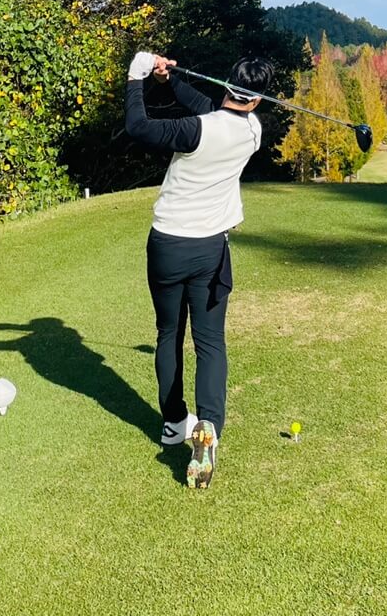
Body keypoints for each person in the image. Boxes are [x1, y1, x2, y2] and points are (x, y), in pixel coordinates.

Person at [124, 49, 274, 489]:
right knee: (210, 341)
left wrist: (138, 78)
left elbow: (139, 126)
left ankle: (174, 424)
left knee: (168, 333)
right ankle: (209, 425)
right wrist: (170, 83)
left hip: (168, 244)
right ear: (258, 99)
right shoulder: (252, 130)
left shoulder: (196, 130)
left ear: (227, 82)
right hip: (210, 249)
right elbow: (212, 114)